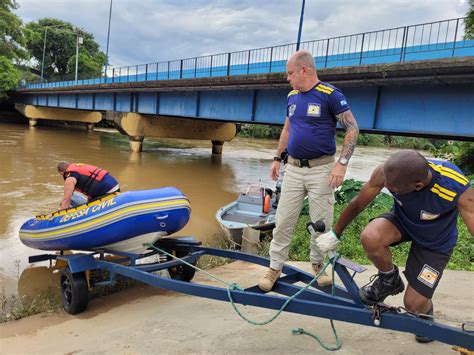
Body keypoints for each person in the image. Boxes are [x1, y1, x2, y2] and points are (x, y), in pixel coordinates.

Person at [315, 150, 473, 343]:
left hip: (435, 242)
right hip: (403, 222)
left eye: (393, 188)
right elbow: (358, 203)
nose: (387, 186)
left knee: (413, 304)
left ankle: (425, 311)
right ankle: (389, 279)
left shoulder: (455, 187)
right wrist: (335, 233)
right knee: (370, 236)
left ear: (418, 186)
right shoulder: (388, 172)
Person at [258, 50, 359, 291]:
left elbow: (353, 128)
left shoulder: (330, 95)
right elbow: (287, 130)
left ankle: (318, 266)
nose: (288, 78)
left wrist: (341, 164)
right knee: (282, 221)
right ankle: (274, 269)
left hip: (321, 170)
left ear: (305, 70)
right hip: (292, 168)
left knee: (320, 223)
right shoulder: (292, 96)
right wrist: (276, 158)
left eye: (290, 72)